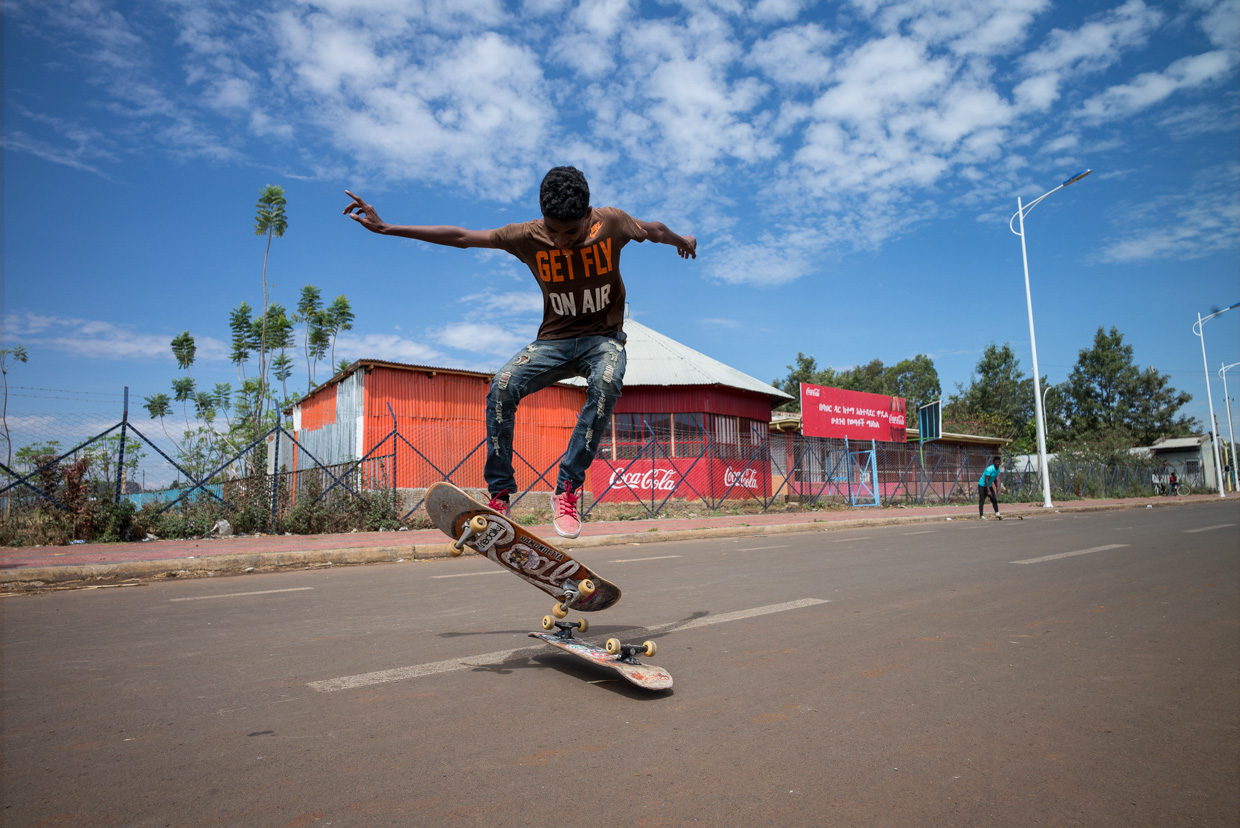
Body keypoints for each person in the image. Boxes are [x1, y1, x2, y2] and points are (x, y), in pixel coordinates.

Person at [343, 166, 697, 538]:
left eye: (571, 233)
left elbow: (655, 229)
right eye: (554, 232)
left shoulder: (611, 223)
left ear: (588, 216)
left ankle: (568, 488)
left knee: (607, 380)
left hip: (603, 340)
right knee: (502, 386)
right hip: (553, 343)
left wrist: (680, 240)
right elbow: (463, 237)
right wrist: (388, 228)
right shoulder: (526, 235)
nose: (561, 241)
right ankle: (499, 493)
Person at [978, 455, 1002, 520]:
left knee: (994, 499)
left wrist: (997, 487)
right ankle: (981, 516)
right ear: (993, 462)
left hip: (989, 485)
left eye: (998, 462)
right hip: (982, 485)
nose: (997, 463)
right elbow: (986, 480)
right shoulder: (989, 469)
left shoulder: (998, 470)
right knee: (982, 500)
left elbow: (994, 478)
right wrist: (988, 491)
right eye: (996, 462)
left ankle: (997, 513)